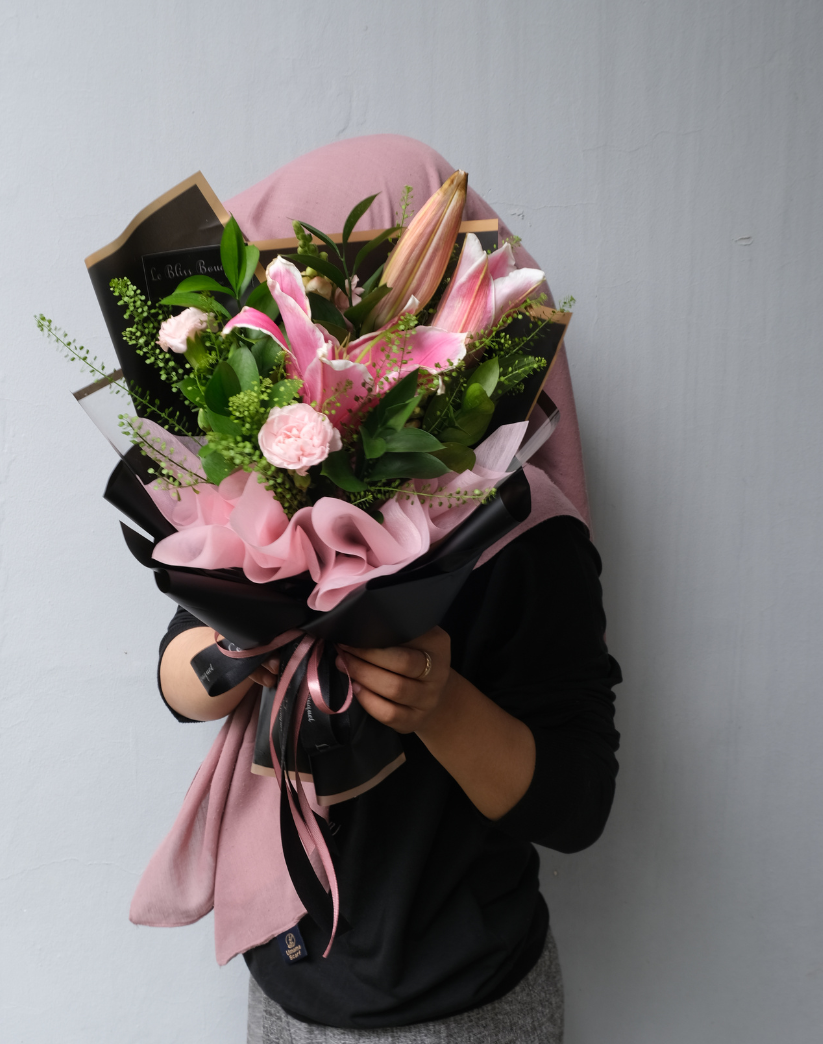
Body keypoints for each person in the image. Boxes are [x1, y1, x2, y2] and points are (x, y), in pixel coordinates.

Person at [155, 136, 621, 1043]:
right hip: (286, 985)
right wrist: (249, 642)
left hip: (469, 1005)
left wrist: (438, 702)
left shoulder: (524, 531)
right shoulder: (265, 492)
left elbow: (578, 804)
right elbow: (180, 680)